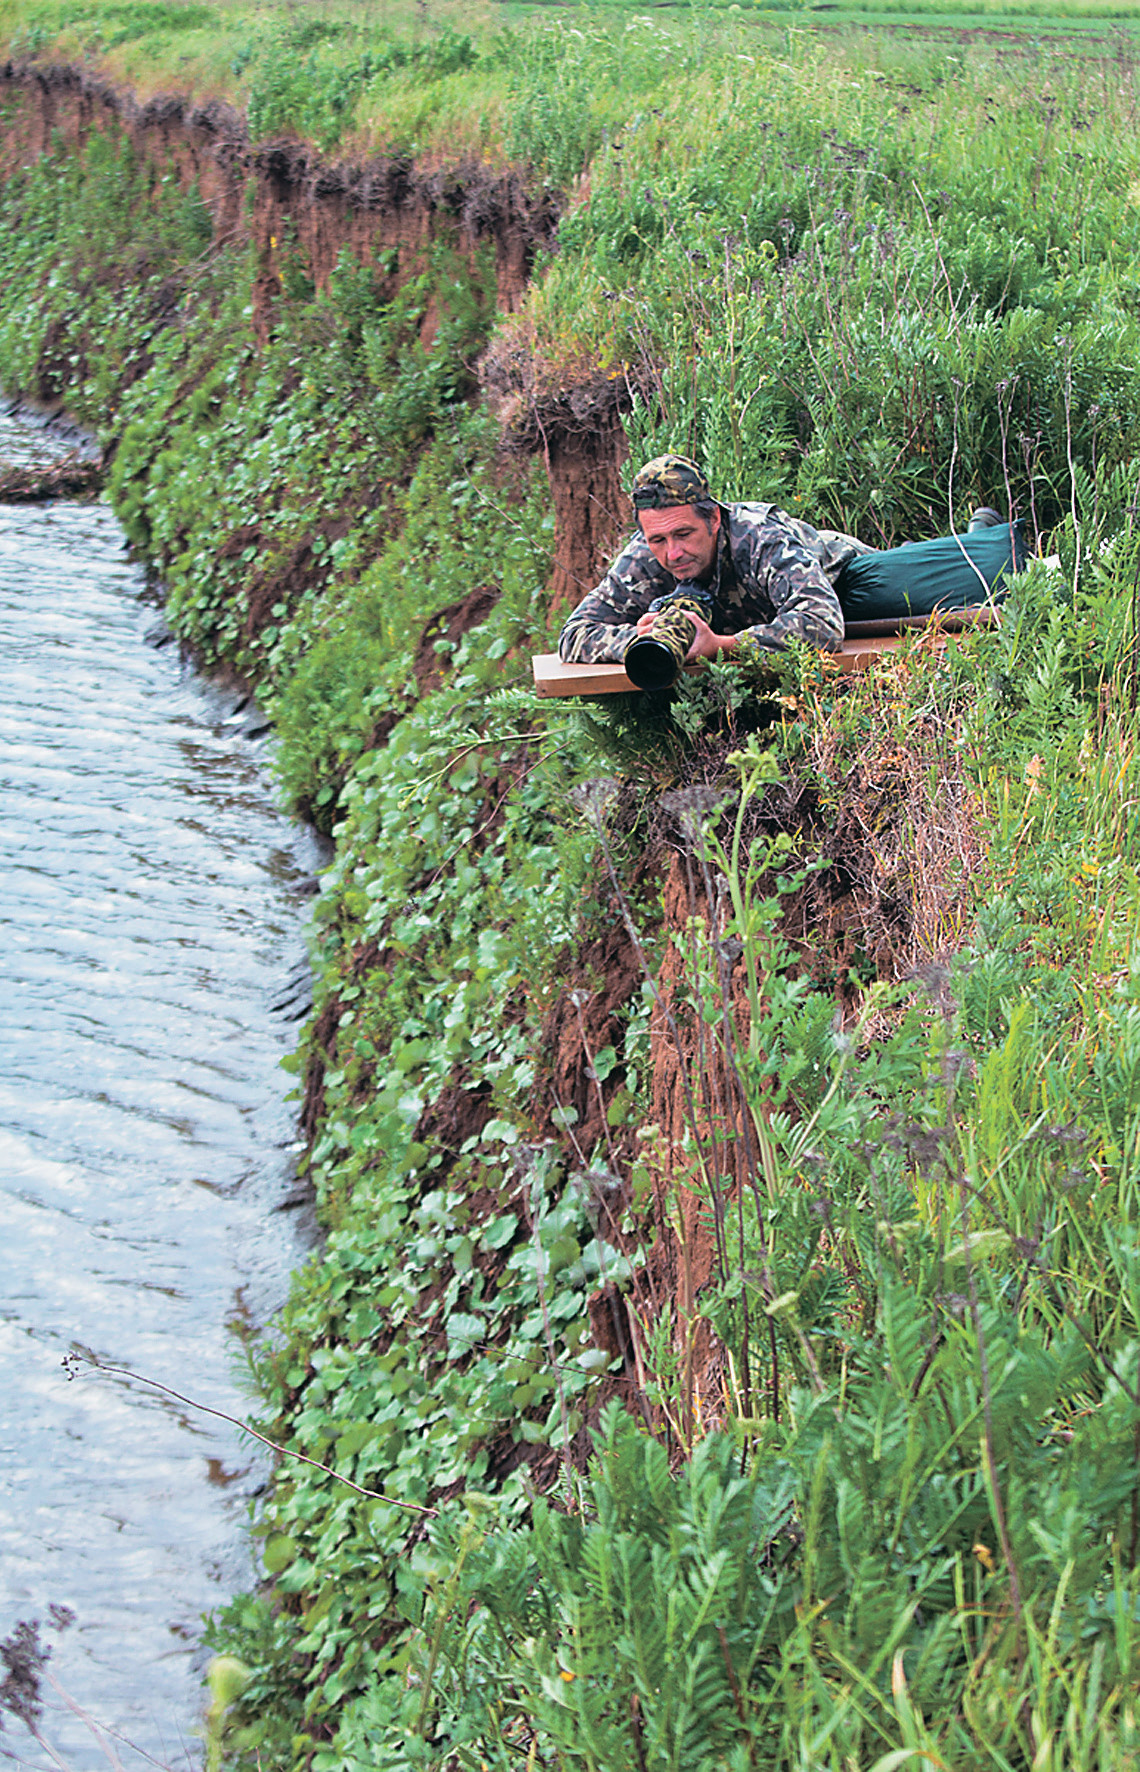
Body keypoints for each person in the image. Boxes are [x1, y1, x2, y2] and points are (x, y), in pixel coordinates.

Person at [558, 454, 872, 666]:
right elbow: (574, 633)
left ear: (714, 519)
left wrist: (722, 646)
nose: (673, 553)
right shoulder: (643, 556)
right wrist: (645, 640)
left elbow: (822, 624)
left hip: (850, 574)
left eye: (684, 534)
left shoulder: (759, 538)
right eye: (658, 540)